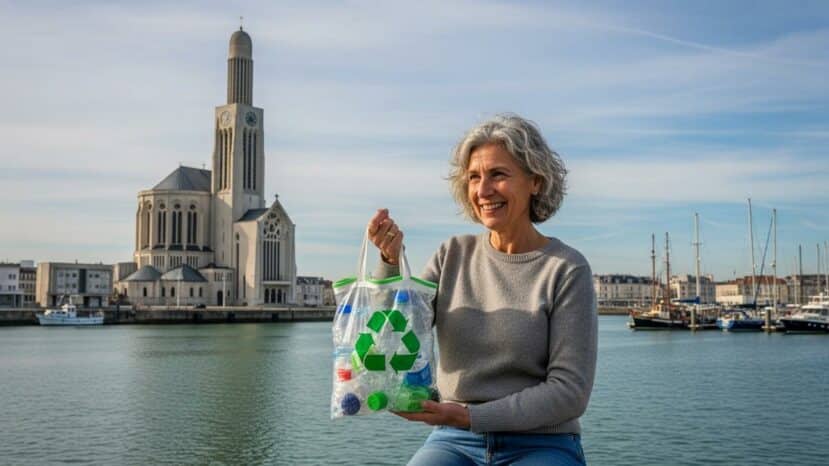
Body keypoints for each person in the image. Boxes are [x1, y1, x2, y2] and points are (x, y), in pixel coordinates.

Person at [367, 113, 597, 466]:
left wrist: (469, 416)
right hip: (454, 441)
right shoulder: (451, 255)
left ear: (536, 181)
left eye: (498, 175)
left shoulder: (567, 269)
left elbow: (569, 394)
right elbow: (392, 335)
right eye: (474, 177)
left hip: (544, 443)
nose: (483, 190)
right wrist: (388, 261)